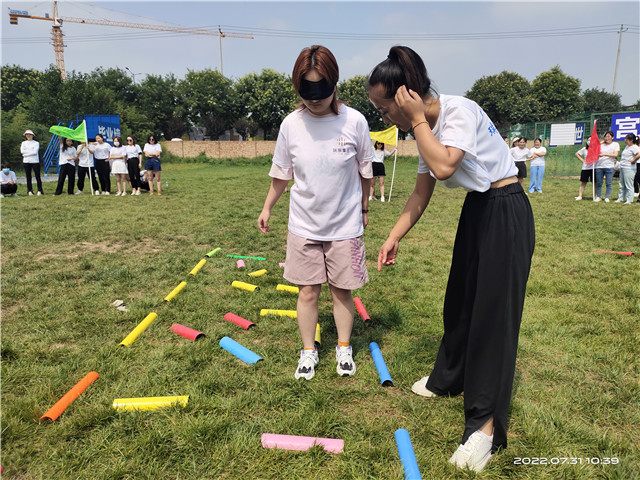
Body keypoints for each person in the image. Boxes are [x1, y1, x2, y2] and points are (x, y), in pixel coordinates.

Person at [368, 46, 535, 473]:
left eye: (384, 107)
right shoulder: (420, 130)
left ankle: (484, 429)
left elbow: (444, 167)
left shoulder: (458, 111)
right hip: (479, 209)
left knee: (491, 323)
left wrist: (419, 121)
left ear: (406, 96)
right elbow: (422, 191)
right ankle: (448, 379)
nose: (383, 116)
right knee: (460, 304)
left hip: (506, 208)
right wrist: (393, 236)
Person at [258, 45, 373, 382]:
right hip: (304, 225)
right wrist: (267, 207)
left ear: (334, 83)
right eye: (307, 89)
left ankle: (343, 346)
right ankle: (308, 351)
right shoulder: (291, 125)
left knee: (342, 290)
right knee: (308, 291)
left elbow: (365, 171)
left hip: (345, 225)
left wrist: (364, 208)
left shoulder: (354, 121)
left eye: (321, 88)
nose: (315, 97)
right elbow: (282, 173)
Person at [594, 131, 619, 202]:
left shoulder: (615, 144)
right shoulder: (601, 145)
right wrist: (600, 143)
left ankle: (607, 197)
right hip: (599, 166)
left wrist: (604, 154)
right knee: (599, 182)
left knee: (608, 183)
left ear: (612, 137)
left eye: (609, 136)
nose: (607, 138)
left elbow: (615, 154)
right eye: (606, 136)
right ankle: (598, 196)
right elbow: (593, 148)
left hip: (609, 166)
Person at [616, 134, 640, 204]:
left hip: (629, 168)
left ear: (631, 140)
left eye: (626, 139)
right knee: (621, 183)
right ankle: (621, 198)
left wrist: (633, 160)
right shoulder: (627, 147)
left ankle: (629, 199)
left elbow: (639, 154)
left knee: (629, 184)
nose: (625, 141)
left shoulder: (634, 147)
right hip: (623, 166)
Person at [20, 129, 44, 196]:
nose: (28, 136)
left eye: (30, 134)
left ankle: (40, 190)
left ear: (33, 135)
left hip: (35, 161)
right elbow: (22, 152)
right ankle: (29, 190)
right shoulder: (23, 143)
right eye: (27, 134)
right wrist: (28, 153)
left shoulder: (36, 143)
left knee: (37, 176)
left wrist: (26, 153)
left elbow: (35, 152)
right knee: (28, 176)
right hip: (26, 161)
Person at [574, 136, 594, 201]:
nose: (589, 142)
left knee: (594, 183)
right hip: (585, 168)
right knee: (583, 182)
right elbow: (577, 154)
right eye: (588, 140)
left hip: (593, 167)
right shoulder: (584, 149)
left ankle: (595, 196)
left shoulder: (596, 148)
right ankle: (580, 196)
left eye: (591, 140)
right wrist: (582, 160)